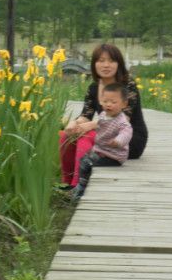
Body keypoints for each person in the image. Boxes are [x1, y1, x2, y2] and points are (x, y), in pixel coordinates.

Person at [59, 43, 148, 188]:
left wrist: (90, 125)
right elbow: (86, 115)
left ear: (119, 64)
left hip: (127, 139)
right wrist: (74, 123)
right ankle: (66, 182)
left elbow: (124, 118)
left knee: (87, 135)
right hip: (105, 133)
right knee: (66, 136)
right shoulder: (93, 87)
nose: (106, 65)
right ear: (94, 64)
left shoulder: (127, 85)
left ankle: (77, 184)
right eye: (101, 61)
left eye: (111, 61)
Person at [72, 82, 133, 199]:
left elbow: (126, 133)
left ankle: (81, 189)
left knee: (87, 163)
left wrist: (118, 141)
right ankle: (81, 184)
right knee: (84, 159)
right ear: (101, 101)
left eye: (113, 102)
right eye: (105, 101)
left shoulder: (122, 121)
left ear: (124, 104)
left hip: (114, 155)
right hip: (102, 150)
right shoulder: (104, 114)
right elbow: (100, 124)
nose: (109, 105)